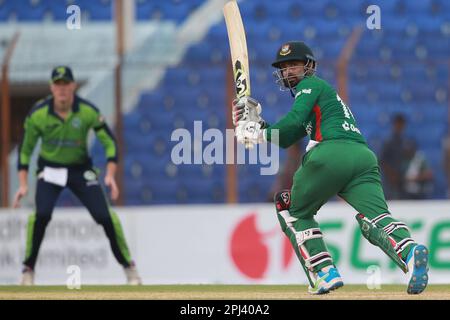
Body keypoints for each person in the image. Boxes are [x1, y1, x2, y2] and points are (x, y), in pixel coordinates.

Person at [232, 41, 429, 295]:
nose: (289, 71)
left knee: (291, 209)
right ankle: (410, 251)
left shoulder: (310, 85)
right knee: (375, 218)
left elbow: (291, 124)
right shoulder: (325, 94)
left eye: (294, 64)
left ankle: (324, 272)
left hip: (330, 155)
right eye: (285, 67)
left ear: (309, 66)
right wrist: (259, 124)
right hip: (362, 158)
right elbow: (288, 138)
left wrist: (258, 132)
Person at [13, 66, 142, 285]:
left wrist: (110, 174)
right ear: (52, 87)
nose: (62, 89)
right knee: (41, 215)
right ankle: (28, 270)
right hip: (50, 170)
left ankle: (129, 268)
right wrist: (23, 184)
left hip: (80, 170)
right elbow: (25, 149)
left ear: (73, 86)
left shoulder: (87, 111)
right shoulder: (38, 115)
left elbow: (109, 143)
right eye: (58, 84)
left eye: (66, 84)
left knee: (105, 216)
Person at [380, 114, 416, 199]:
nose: (400, 126)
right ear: (394, 125)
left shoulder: (405, 141)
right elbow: (382, 161)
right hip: (390, 179)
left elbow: (409, 157)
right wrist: (391, 175)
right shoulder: (388, 142)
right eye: (398, 124)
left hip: (402, 178)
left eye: (402, 124)